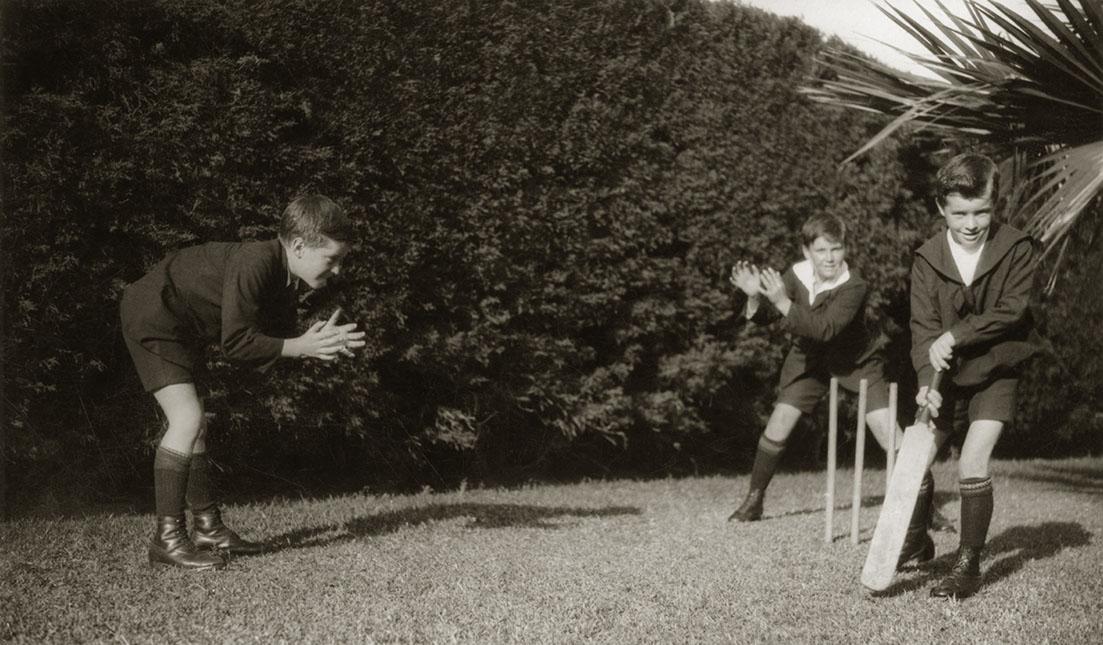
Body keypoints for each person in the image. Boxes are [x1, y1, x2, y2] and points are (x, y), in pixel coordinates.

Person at [120, 194, 366, 570]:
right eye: (332, 259)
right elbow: (237, 343)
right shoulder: (257, 261)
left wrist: (315, 344)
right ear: (299, 245)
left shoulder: (284, 276)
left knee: (195, 425)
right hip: (154, 315)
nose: (337, 271)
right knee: (186, 421)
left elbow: (268, 339)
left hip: (177, 324)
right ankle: (167, 541)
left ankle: (208, 530)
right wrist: (301, 346)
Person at [906, 152, 1038, 599]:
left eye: (981, 210)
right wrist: (926, 380)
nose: (971, 222)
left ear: (994, 203)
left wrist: (957, 334)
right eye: (960, 212)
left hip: (996, 369)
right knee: (918, 463)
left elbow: (1013, 310)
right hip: (946, 376)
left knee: (972, 460)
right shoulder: (926, 258)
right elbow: (923, 328)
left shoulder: (1017, 247)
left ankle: (968, 565)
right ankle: (918, 540)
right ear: (941, 208)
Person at [728, 213, 902, 522]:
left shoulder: (854, 285)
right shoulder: (797, 274)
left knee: (889, 433)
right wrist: (755, 296)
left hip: (856, 362)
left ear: (845, 249)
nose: (830, 258)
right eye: (821, 250)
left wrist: (782, 302)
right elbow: (769, 317)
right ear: (807, 251)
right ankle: (754, 501)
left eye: (836, 249)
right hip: (810, 359)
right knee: (779, 422)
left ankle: (924, 508)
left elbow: (825, 329)